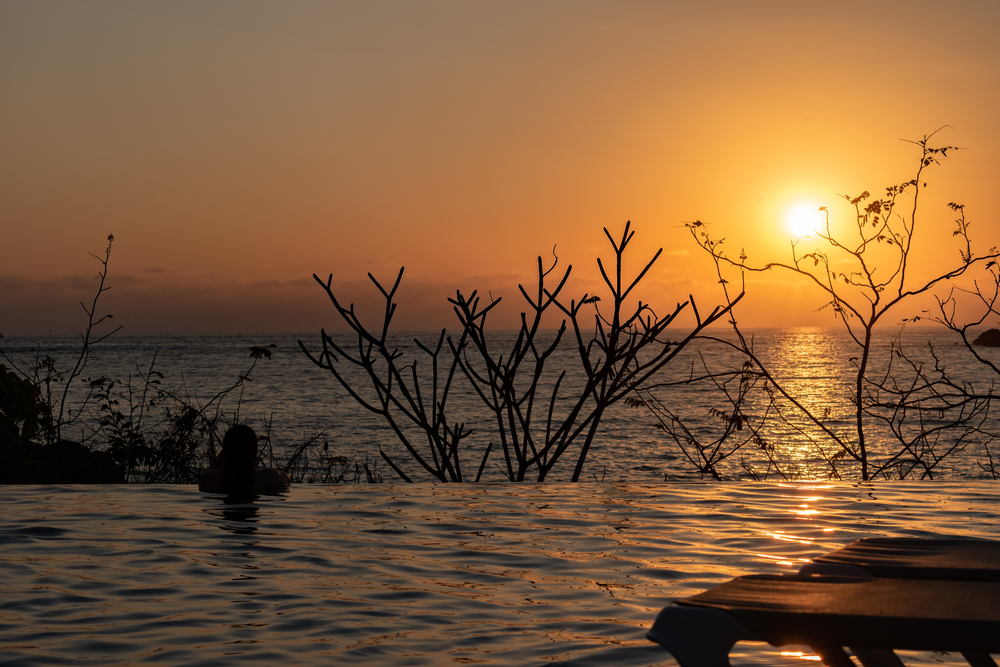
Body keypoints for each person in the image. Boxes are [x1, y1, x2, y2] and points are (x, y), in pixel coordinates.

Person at [198, 425, 290, 495]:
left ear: (226, 451)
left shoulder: (210, 479)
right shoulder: (268, 477)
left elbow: (210, 473)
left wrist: (228, 448)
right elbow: (287, 478)